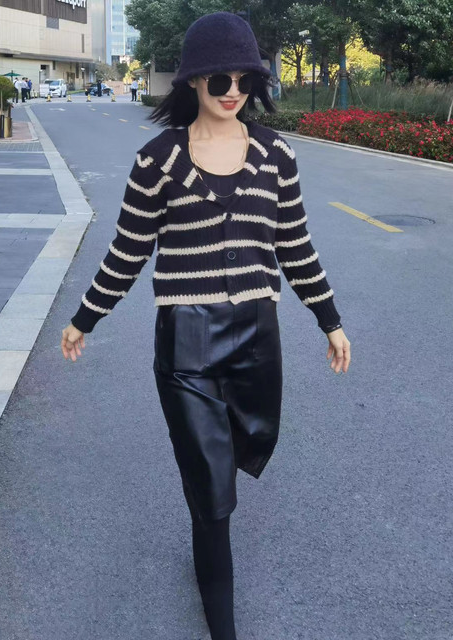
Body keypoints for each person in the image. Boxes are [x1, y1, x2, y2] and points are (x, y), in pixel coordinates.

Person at [61, 11, 351, 640]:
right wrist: (86, 317)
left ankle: (209, 526)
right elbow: (128, 251)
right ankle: (221, 615)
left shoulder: (276, 156)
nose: (232, 90)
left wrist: (329, 320)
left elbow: (295, 247)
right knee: (211, 488)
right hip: (186, 342)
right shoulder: (157, 161)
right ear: (192, 80)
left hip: (257, 337)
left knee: (250, 446)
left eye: (245, 78)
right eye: (219, 78)